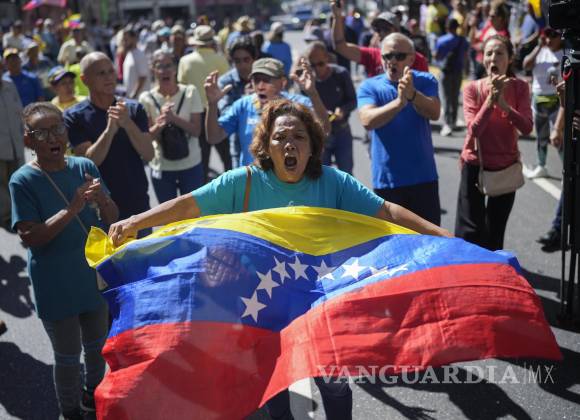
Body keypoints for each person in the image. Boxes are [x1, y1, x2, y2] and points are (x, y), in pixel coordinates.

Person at [107, 99, 450, 420]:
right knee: (274, 384)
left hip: (320, 300)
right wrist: (135, 221)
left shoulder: (333, 182)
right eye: (280, 137)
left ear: (312, 146)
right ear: (266, 146)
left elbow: (386, 211)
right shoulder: (242, 182)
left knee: (333, 382)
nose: (289, 145)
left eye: (299, 137)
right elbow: (188, 205)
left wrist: (440, 235)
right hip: (263, 304)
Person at [9, 102, 118, 419]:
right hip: (55, 283)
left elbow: (113, 218)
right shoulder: (22, 180)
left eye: (57, 128)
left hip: (92, 277)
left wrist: (103, 199)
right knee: (68, 358)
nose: (53, 137)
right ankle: (69, 411)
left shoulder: (84, 166)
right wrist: (72, 209)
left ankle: (91, 397)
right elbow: (31, 237)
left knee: (98, 348)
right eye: (42, 133)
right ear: (29, 140)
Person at [455, 35, 533, 250]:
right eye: (489, 53)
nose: (493, 58)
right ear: (483, 59)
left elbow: (527, 127)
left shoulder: (520, 87)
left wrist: (505, 106)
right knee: (470, 233)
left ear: (509, 59)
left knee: (495, 233)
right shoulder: (472, 88)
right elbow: (474, 130)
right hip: (475, 164)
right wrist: (490, 101)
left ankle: (493, 269)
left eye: (499, 53)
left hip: (505, 166)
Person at [358, 33, 442, 225]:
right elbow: (367, 120)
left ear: (411, 59)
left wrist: (413, 95)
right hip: (387, 181)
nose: (392, 61)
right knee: (393, 240)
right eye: (387, 56)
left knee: (429, 239)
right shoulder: (369, 86)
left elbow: (434, 112)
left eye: (399, 56)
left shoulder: (426, 80)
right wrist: (399, 103)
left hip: (423, 178)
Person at [63, 52, 154, 224]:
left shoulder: (134, 109)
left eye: (111, 71)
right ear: (84, 80)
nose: (109, 77)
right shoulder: (74, 116)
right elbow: (89, 161)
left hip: (137, 203)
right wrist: (110, 130)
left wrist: (127, 124)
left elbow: (149, 154)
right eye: (101, 73)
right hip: (101, 207)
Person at [205, 57, 331, 167]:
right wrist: (212, 104)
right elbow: (214, 137)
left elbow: (325, 129)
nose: (260, 86)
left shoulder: (297, 104)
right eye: (256, 80)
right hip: (252, 180)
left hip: (290, 180)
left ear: (283, 82)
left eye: (267, 80)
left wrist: (313, 93)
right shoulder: (242, 105)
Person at [139, 49, 204, 203]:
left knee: (193, 212)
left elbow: (196, 130)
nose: (164, 71)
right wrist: (161, 121)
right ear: (153, 70)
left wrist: (173, 118)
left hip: (191, 165)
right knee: (168, 215)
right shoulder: (146, 98)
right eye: (159, 66)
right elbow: (147, 137)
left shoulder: (190, 91)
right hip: (162, 166)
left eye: (168, 65)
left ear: (175, 68)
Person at [178, 25, 231, 181]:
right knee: (227, 155)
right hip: (218, 112)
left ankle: (204, 189)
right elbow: (228, 84)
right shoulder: (220, 59)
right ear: (211, 42)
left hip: (196, 114)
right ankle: (232, 186)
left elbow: (182, 86)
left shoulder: (185, 61)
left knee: (202, 159)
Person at [331, 1, 429, 78]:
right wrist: (337, 17)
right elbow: (340, 47)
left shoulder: (416, 58)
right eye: (378, 30)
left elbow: (428, 91)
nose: (381, 33)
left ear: (397, 31)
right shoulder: (372, 55)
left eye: (386, 29)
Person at [304, 41, 356, 174]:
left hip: (341, 131)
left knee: (346, 173)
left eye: (320, 64)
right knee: (321, 174)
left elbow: (353, 100)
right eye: (312, 65)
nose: (317, 69)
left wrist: (343, 110)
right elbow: (302, 106)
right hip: (319, 135)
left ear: (327, 58)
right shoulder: (306, 81)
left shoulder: (341, 74)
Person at [522, 27, 563, 179]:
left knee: (558, 138)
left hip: (557, 101)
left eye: (554, 36)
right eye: (547, 36)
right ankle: (541, 165)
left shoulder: (565, 53)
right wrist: (539, 46)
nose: (549, 39)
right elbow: (526, 65)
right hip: (538, 100)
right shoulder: (540, 51)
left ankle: (567, 171)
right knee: (541, 137)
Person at [218, 36, 257, 168]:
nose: (242, 65)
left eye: (246, 59)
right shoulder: (226, 82)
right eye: (237, 61)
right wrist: (246, 100)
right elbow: (225, 114)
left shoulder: (264, 78)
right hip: (239, 148)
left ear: (254, 59)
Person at [435, 18, 469, 136]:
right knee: (455, 97)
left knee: (445, 98)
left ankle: (447, 124)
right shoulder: (463, 41)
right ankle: (453, 121)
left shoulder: (441, 40)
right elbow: (465, 56)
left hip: (445, 72)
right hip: (458, 72)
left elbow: (437, 57)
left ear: (447, 27)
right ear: (457, 27)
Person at [0, 68, 24, 230]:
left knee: (17, 180)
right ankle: (6, 216)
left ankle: (20, 213)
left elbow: (19, 110)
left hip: (15, 142)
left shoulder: (9, 85)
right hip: (1, 147)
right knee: (1, 183)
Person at [468, 1, 510, 80]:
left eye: (492, 16)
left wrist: (478, 46)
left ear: (500, 18)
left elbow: (481, 47)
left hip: (489, 70)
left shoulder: (503, 35)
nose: (489, 18)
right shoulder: (489, 26)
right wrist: (473, 26)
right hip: (478, 64)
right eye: (489, 15)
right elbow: (473, 40)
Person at [121, 28, 150, 99]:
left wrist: (134, 94)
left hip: (139, 99)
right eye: (123, 40)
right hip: (131, 98)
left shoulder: (140, 55)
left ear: (134, 39)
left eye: (126, 39)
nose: (124, 42)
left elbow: (143, 77)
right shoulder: (129, 54)